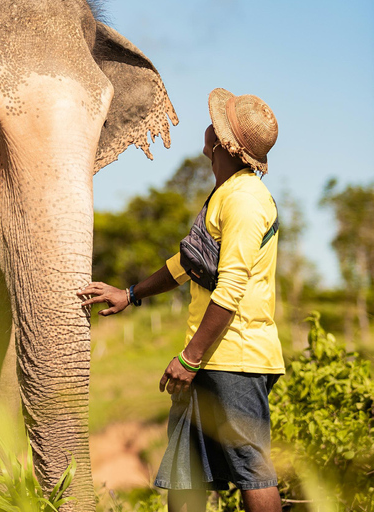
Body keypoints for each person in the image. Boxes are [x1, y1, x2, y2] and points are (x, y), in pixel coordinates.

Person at [79, 88, 284, 512]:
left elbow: (230, 290)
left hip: (236, 360)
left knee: (252, 472)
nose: (207, 126)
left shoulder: (246, 201)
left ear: (223, 143)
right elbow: (187, 264)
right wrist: (131, 293)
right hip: (211, 357)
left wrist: (189, 358)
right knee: (184, 474)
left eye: (216, 124)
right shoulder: (226, 194)